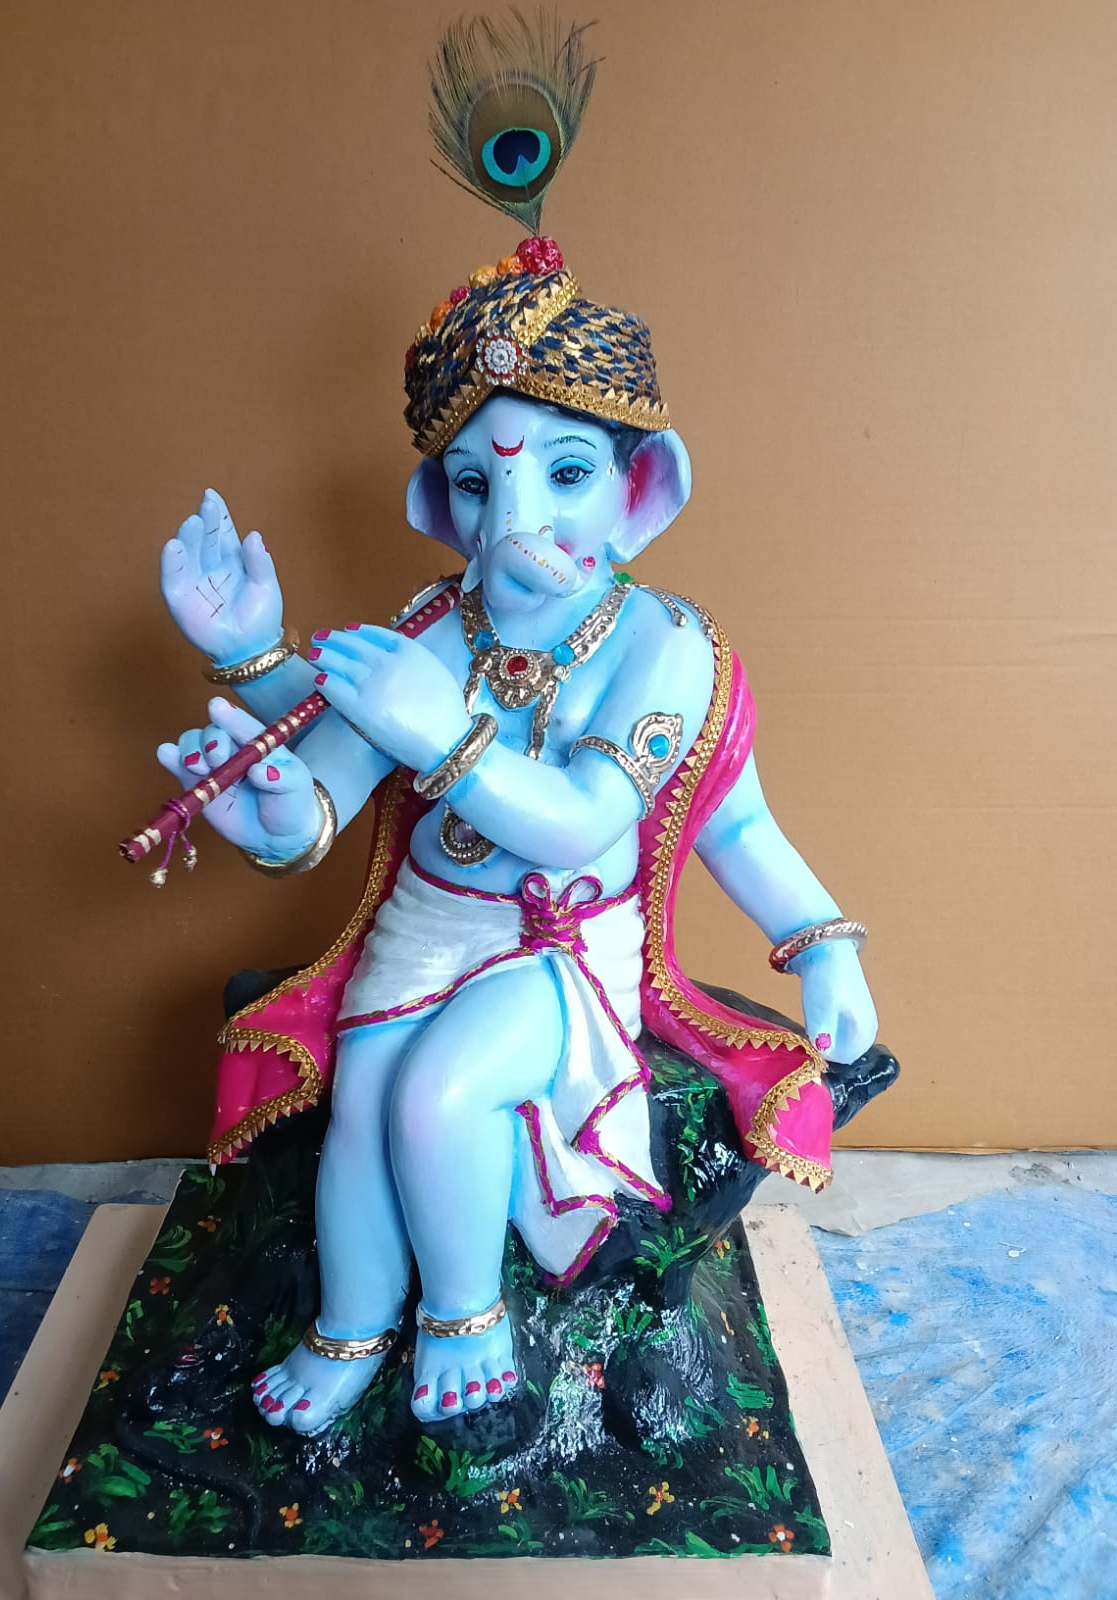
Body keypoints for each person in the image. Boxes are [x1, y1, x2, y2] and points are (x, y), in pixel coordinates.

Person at [152, 21, 877, 1441]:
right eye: (482, 488)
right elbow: (324, 791)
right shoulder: (438, 627)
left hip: (560, 947)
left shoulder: (661, 649)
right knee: (364, 1107)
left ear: (641, 492)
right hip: (426, 929)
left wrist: (825, 945)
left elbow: (664, 822)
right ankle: (352, 1323)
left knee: (439, 1097)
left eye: (565, 474)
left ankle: (468, 1320)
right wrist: (266, 772)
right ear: (444, 506)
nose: (519, 525)